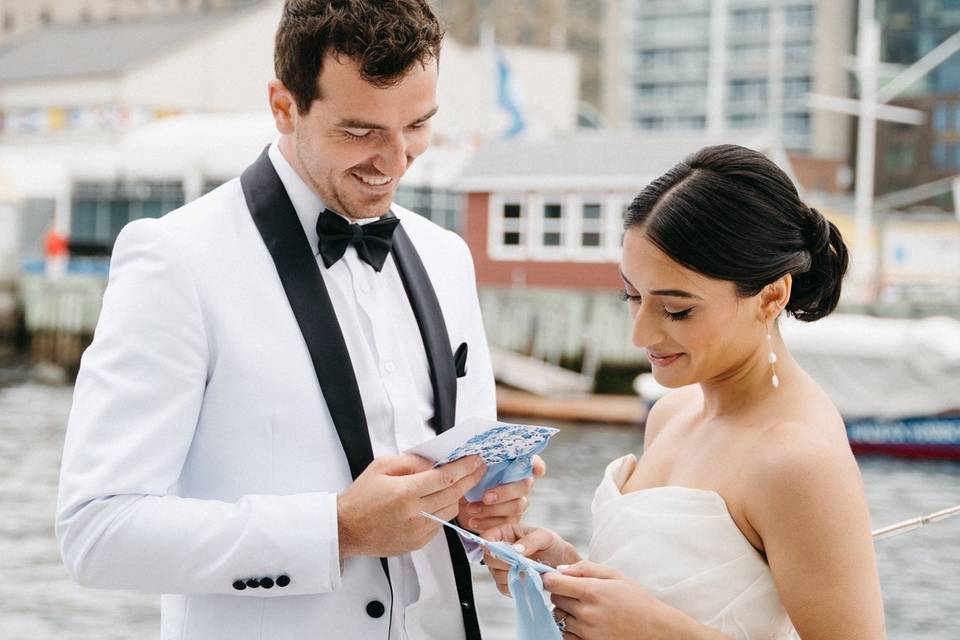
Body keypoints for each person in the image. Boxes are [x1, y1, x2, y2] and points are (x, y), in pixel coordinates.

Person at [55, 2, 542, 639]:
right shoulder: (176, 258)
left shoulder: (447, 257)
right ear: (284, 106)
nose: (395, 162)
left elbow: (453, 508)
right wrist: (338, 529)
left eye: (418, 126)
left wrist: (483, 511)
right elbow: (96, 532)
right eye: (361, 131)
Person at [483, 145, 886, 639]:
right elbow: (688, 589)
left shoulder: (797, 460)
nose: (640, 335)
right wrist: (565, 570)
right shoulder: (671, 413)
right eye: (632, 296)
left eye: (676, 310)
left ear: (772, 296)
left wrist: (655, 631)